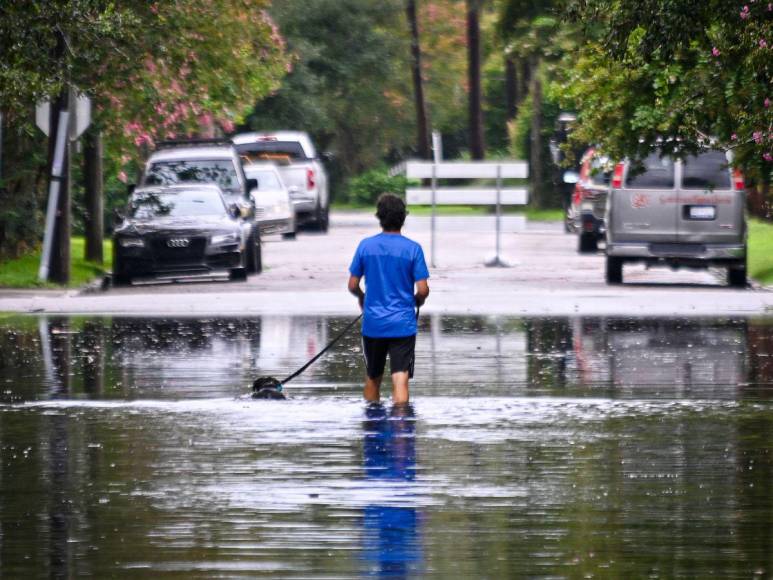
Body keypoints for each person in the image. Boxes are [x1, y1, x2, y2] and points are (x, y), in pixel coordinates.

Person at [348, 193, 430, 404]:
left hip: (373, 323)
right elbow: (422, 289)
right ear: (403, 218)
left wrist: (362, 298)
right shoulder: (413, 249)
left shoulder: (365, 246)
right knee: (400, 378)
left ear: (379, 217)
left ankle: (371, 423)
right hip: (403, 323)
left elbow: (353, 285)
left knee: (373, 377)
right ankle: (401, 428)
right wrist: (416, 301)